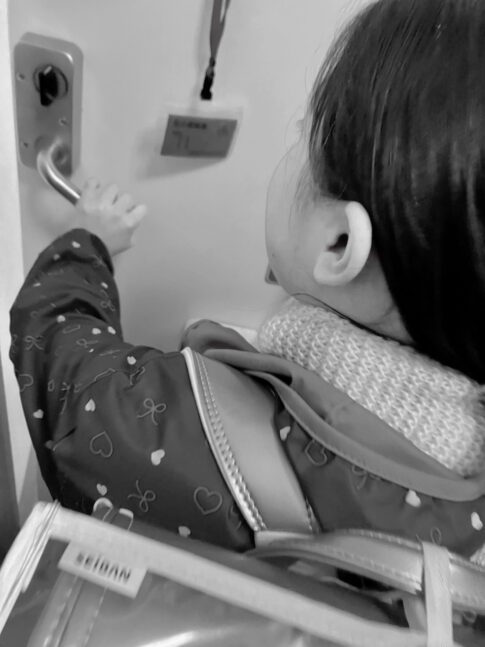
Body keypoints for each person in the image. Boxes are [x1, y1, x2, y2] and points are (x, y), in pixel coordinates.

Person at [9, 0, 485, 561]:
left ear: (338, 245)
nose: (293, 148)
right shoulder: (464, 483)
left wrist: (87, 243)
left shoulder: (192, 438)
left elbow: (62, 371)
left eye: (302, 136)